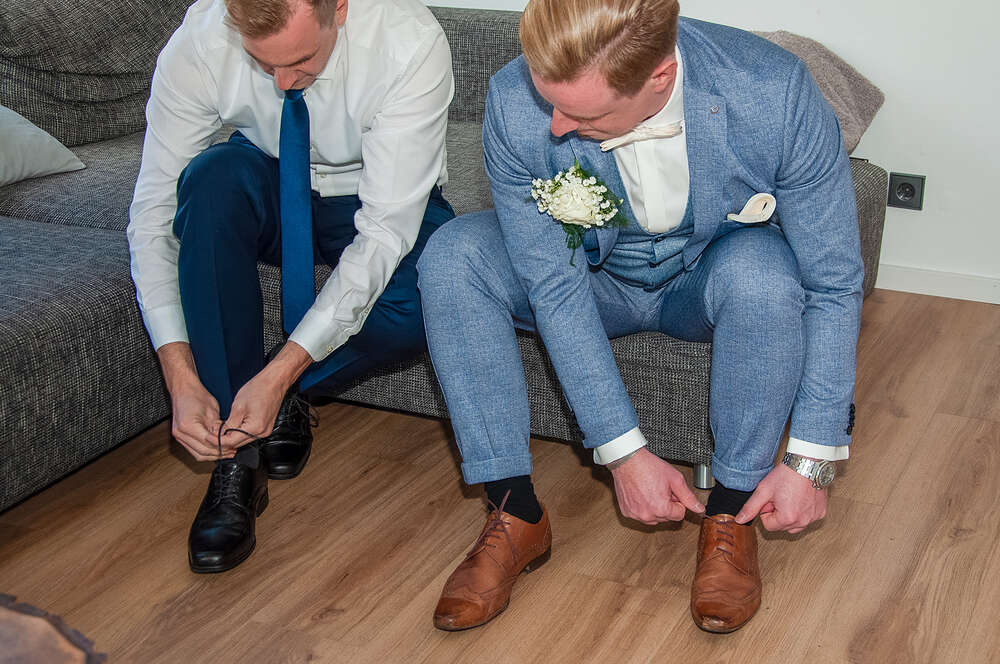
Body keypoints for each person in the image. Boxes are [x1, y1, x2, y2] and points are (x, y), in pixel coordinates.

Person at [417, 0, 861, 633]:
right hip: (593, 281)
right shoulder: (516, 99)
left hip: (706, 275)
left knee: (766, 271)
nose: (558, 127)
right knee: (454, 255)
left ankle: (732, 511)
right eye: (552, 104)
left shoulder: (772, 91)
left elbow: (834, 280)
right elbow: (554, 285)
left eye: (584, 112)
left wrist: (812, 458)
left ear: (659, 74)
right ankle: (514, 512)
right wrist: (623, 453)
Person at [127, 0, 454, 573]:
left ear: (341, 10)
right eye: (262, 63)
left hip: (374, 192)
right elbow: (153, 215)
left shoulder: (409, 39)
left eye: (301, 60)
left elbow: (382, 234)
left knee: (433, 298)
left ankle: (282, 396)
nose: (282, 82)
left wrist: (281, 375)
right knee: (210, 183)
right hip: (272, 179)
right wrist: (178, 375)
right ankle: (239, 459)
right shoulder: (201, 38)